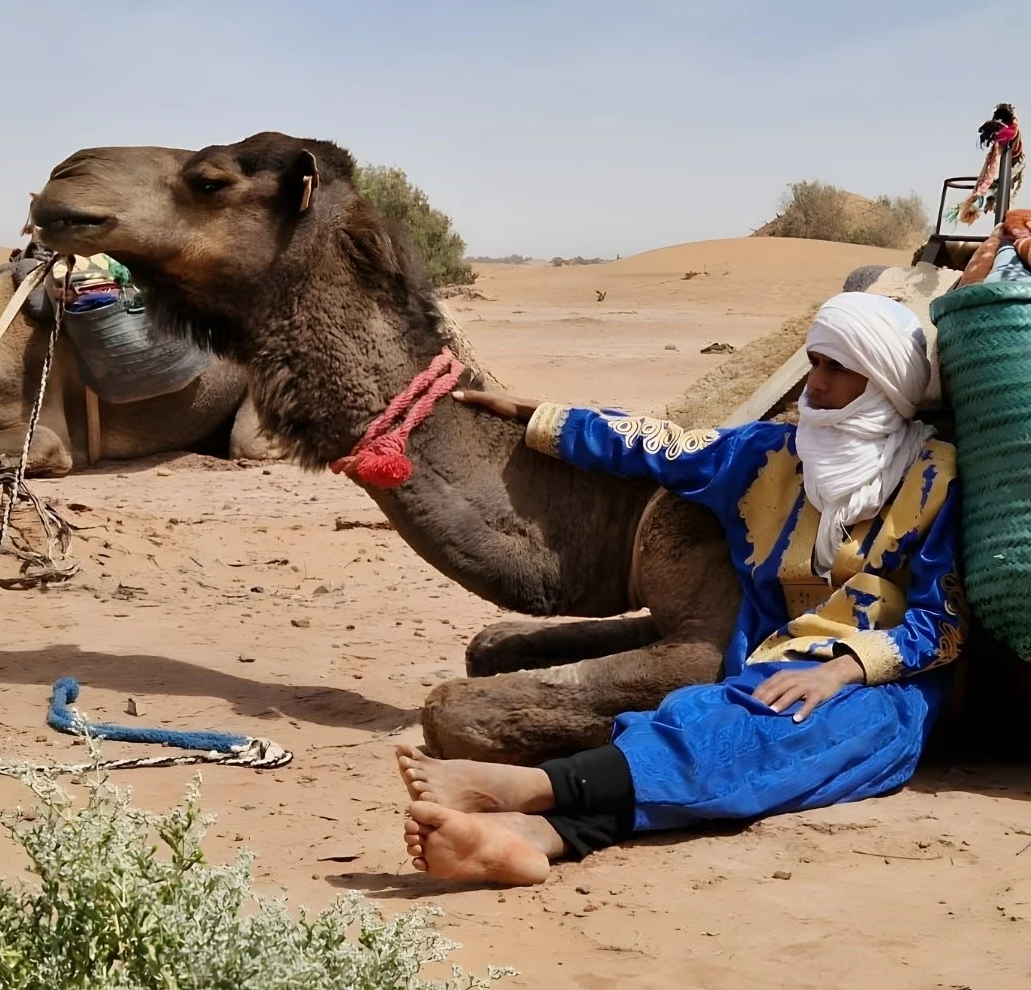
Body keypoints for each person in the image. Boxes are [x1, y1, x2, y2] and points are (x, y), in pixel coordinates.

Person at [396, 292, 965, 885]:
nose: (814, 384)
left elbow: (942, 623)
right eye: (814, 362)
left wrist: (838, 672)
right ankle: (541, 836)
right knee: (699, 719)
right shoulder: (770, 454)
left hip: (883, 687)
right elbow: (656, 446)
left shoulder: (936, 477)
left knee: (783, 738)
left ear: (880, 381)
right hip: (765, 664)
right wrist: (536, 413)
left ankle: (526, 789)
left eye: (836, 368)